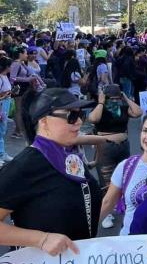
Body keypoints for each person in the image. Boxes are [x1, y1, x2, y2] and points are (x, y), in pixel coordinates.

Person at [0, 89, 98, 254]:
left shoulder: (70, 157)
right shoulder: (23, 167)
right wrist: (41, 239)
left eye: (80, 114)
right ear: (43, 121)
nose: (79, 122)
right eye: (71, 116)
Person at [87, 84, 142, 229]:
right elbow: (93, 119)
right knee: (106, 180)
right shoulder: (101, 108)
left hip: (123, 146)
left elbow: (138, 112)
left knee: (125, 178)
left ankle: (123, 208)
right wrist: (101, 102)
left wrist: (125, 98)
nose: (115, 100)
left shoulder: (122, 107)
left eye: (117, 97)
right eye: (112, 98)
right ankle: (106, 213)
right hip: (105, 147)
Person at [0, 57, 12, 164]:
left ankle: (2, 153)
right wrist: (4, 96)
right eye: (10, 66)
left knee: (2, 130)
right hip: (1, 105)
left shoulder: (5, 76)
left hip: (6, 104)